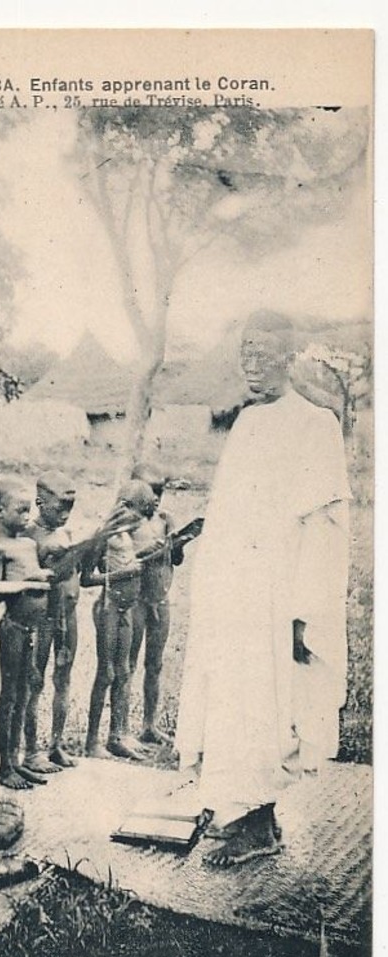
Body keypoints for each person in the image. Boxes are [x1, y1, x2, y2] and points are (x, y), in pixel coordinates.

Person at [174, 310, 350, 867]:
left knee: (267, 702)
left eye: (265, 351)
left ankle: (257, 820)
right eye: (245, 350)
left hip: (277, 593)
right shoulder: (248, 422)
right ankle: (234, 807)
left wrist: (305, 612)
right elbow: (228, 514)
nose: (252, 362)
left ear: (290, 355)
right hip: (233, 592)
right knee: (229, 698)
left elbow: (322, 531)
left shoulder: (315, 424)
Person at [81, 480, 156, 761]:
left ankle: (117, 736)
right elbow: (87, 579)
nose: (141, 522)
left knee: (123, 672)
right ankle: (91, 741)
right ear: (124, 507)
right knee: (106, 673)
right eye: (139, 514)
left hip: (126, 609)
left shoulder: (125, 535)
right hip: (109, 608)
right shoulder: (104, 536)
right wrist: (123, 575)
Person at [0, 477, 54, 789]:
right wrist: (27, 581)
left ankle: (15, 761)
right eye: (21, 511)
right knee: (10, 695)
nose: (27, 517)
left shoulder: (29, 544)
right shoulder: (0, 549)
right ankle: (4, 767)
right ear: (0, 512)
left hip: (32, 629)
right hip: (12, 628)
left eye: (30, 511)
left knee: (26, 691)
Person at [23, 471, 79, 772]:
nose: (67, 514)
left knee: (63, 680)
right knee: (34, 682)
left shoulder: (65, 533)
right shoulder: (29, 537)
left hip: (68, 618)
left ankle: (55, 745)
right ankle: (31, 752)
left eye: (72, 506)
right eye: (61, 506)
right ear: (40, 502)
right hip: (42, 620)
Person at [127, 467, 179, 746]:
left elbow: (176, 559)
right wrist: (149, 551)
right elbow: (126, 558)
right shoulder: (130, 523)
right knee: (128, 663)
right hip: (136, 600)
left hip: (160, 599)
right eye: (150, 493)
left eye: (160, 492)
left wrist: (176, 541)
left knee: (155, 664)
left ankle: (149, 724)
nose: (156, 499)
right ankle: (121, 728)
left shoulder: (164, 520)